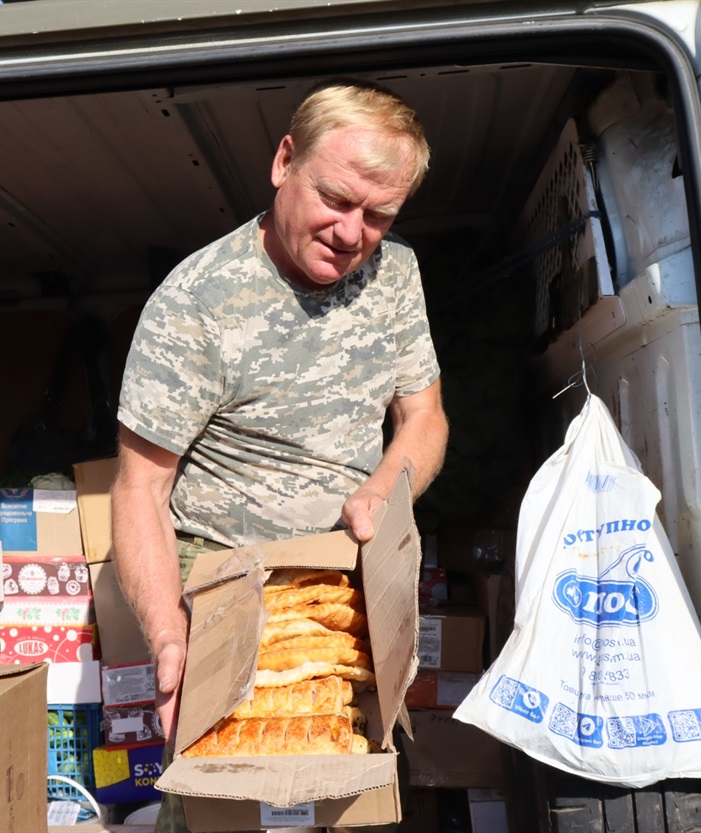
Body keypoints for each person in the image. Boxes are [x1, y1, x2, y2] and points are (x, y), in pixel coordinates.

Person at [111, 80, 448, 831]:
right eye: (335, 198)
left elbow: (424, 416)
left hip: (346, 580)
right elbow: (139, 490)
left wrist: (385, 486)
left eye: (379, 215)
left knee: (348, 791)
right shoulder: (197, 303)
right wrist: (169, 638)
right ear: (284, 162)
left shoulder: (396, 273)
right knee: (221, 805)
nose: (352, 232)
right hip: (227, 579)